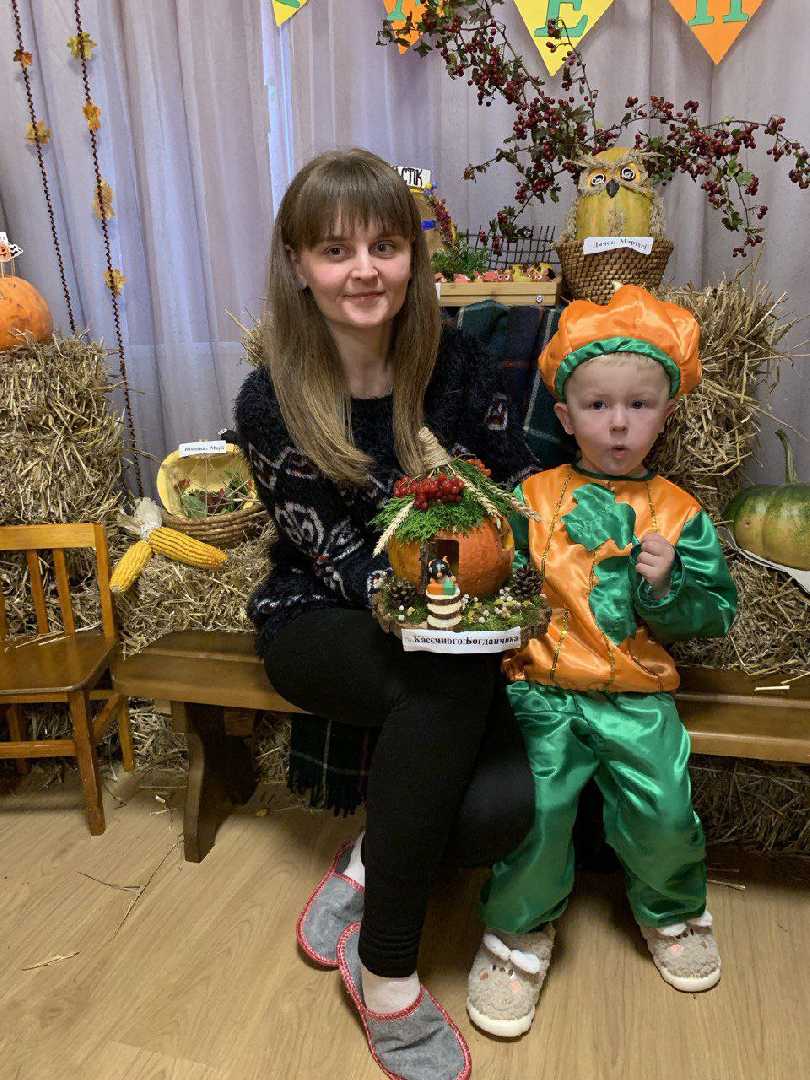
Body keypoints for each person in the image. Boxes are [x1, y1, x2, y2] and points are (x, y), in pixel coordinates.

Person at [234, 148, 559, 1080]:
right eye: (335, 250)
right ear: (298, 264)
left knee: (497, 813)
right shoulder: (270, 400)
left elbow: (514, 482)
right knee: (446, 676)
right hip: (320, 617)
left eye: (384, 245)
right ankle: (384, 972)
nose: (364, 269)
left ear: (413, 258)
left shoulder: (456, 362)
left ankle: (370, 859)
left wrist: (517, 570)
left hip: (452, 628)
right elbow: (334, 555)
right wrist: (445, 611)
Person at [465, 286, 738, 1039]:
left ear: (666, 413)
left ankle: (673, 910)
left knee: (664, 805)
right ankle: (520, 927)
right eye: (597, 406)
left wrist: (668, 586)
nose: (618, 423)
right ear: (565, 416)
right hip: (544, 691)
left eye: (639, 406)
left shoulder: (678, 514)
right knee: (538, 806)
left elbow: (715, 613)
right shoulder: (532, 499)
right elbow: (496, 578)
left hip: (635, 695)